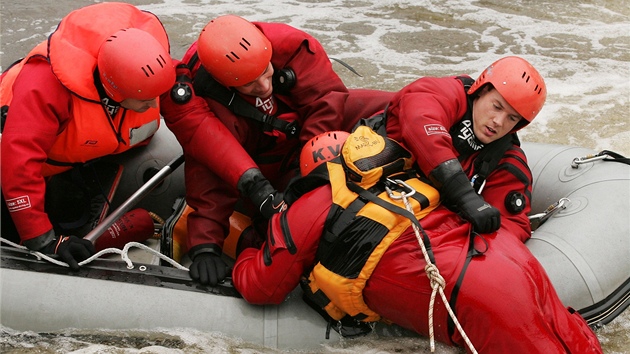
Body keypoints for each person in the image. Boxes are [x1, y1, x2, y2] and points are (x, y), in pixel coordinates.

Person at [230, 126, 604, 354]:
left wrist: (248, 246)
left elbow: (262, 287)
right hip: (507, 257)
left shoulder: (311, 205)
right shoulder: (404, 174)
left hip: (474, 294)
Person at [159, 14, 394, 286]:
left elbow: (327, 101)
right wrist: (205, 246)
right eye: (250, 84)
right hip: (265, 164)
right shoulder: (210, 103)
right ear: (226, 84)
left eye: (266, 73)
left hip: (312, 141)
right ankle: (195, 225)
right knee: (275, 230)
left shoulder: (293, 47)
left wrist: (308, 176)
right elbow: (210, 169)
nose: (264, 87)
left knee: (395, 107)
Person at [0, 2, 176, 270]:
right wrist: (46, 243)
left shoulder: (143, 65)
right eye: (145, 100)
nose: (154, 105)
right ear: (115, 93)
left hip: (69, 161)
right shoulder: (45, 87)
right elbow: (17, 167)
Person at [372, 56, 545, 242]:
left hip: (422, 229)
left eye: (512, 118)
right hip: (372, 186)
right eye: (496, 107)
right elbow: (421, 125)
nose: (498, 122)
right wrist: (464, 195)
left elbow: (513, 225)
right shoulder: (442, 93)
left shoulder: (507, 158)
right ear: (482, 90)